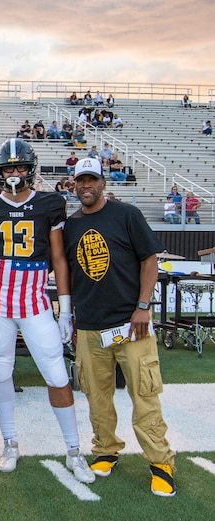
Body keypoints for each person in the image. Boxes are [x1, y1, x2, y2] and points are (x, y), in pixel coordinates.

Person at [0, 139, 94, 483]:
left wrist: (65, 309)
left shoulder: (50, 202)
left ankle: (74, 450)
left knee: (57, 374)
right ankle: (10, 442)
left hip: (34, 299)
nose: (15, 173)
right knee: (1, 373)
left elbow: (60, 258)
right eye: (9, 168)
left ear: (30, 169)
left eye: (20, 167)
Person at [63, 157, 176, 497]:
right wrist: (71, 318)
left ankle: (160, 462)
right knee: (97, 397)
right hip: (90, 326)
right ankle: (106, 450)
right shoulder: (71, 225)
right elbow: (68, 271)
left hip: (131, 324)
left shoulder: (127, 214)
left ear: (103, 184)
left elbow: (149, 260)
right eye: (80, 180)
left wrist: (143, 306)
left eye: (91, 180)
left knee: (144, 395)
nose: (86, 186)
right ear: (74, 184)